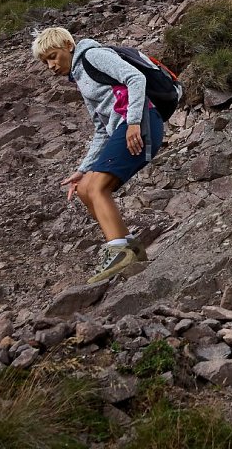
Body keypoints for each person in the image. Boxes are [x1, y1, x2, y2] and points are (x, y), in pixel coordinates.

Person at [31, 27, 165, 284]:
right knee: (84, 188)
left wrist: (134, 122)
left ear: (69, 45)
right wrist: (83, 168)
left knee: (97, 188)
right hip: (122, 129)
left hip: (140, 124)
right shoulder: (80, 77)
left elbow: (135, 79)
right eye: (44, 62)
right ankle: (130, 248)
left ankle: (119, 253)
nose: (50, 65)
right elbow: (101, 130)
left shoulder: (93, 56)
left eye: (53, 56)